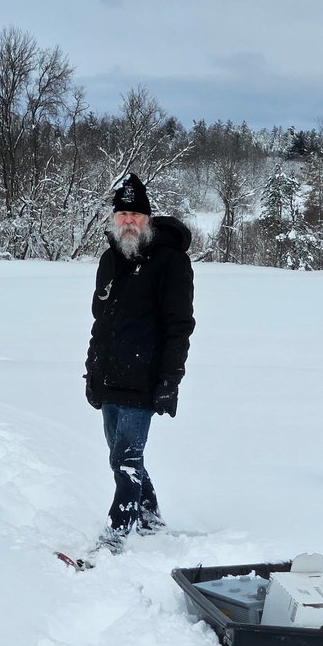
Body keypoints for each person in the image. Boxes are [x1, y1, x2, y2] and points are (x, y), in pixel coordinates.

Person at [84, 172, 195, 553]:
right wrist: (92, 370)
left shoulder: (170, 261)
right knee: (120, 458)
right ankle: (150, 519)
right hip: (110, 377)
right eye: (122, 214)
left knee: (126, 459)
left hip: (143, 379)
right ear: (113, 219)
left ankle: (115, 536)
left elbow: (179, 326)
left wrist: (170, 380)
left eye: (136, 214)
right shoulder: (110, 259)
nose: (128, 221)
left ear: (148, 219)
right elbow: (101, 321)